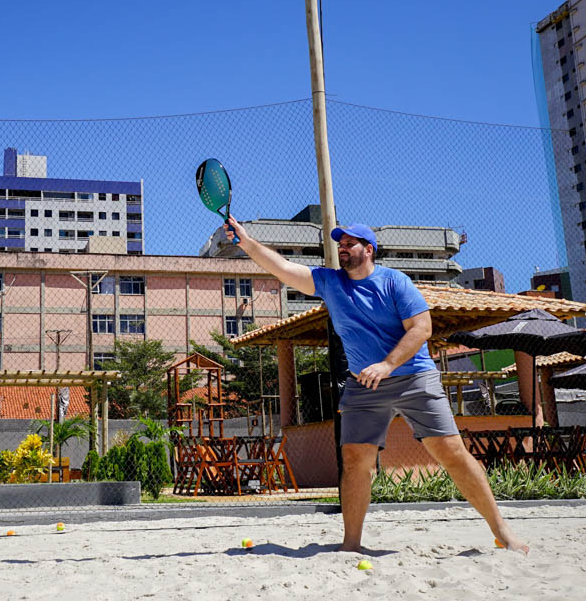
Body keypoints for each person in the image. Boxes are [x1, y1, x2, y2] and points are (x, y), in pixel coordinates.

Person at [223, 217, 528, 555]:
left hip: (413, 377)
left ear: (368, 250)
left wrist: (387, 364)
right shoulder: (330, 282)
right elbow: (281, 266)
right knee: (354, 459)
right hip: (363, 384)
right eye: (340, 245)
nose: (342, 249)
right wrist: (247, 243)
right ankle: (351, 545)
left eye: (349, 244)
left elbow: (421, 328)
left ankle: (503, 532)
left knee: (452, 454)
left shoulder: (395, 282)